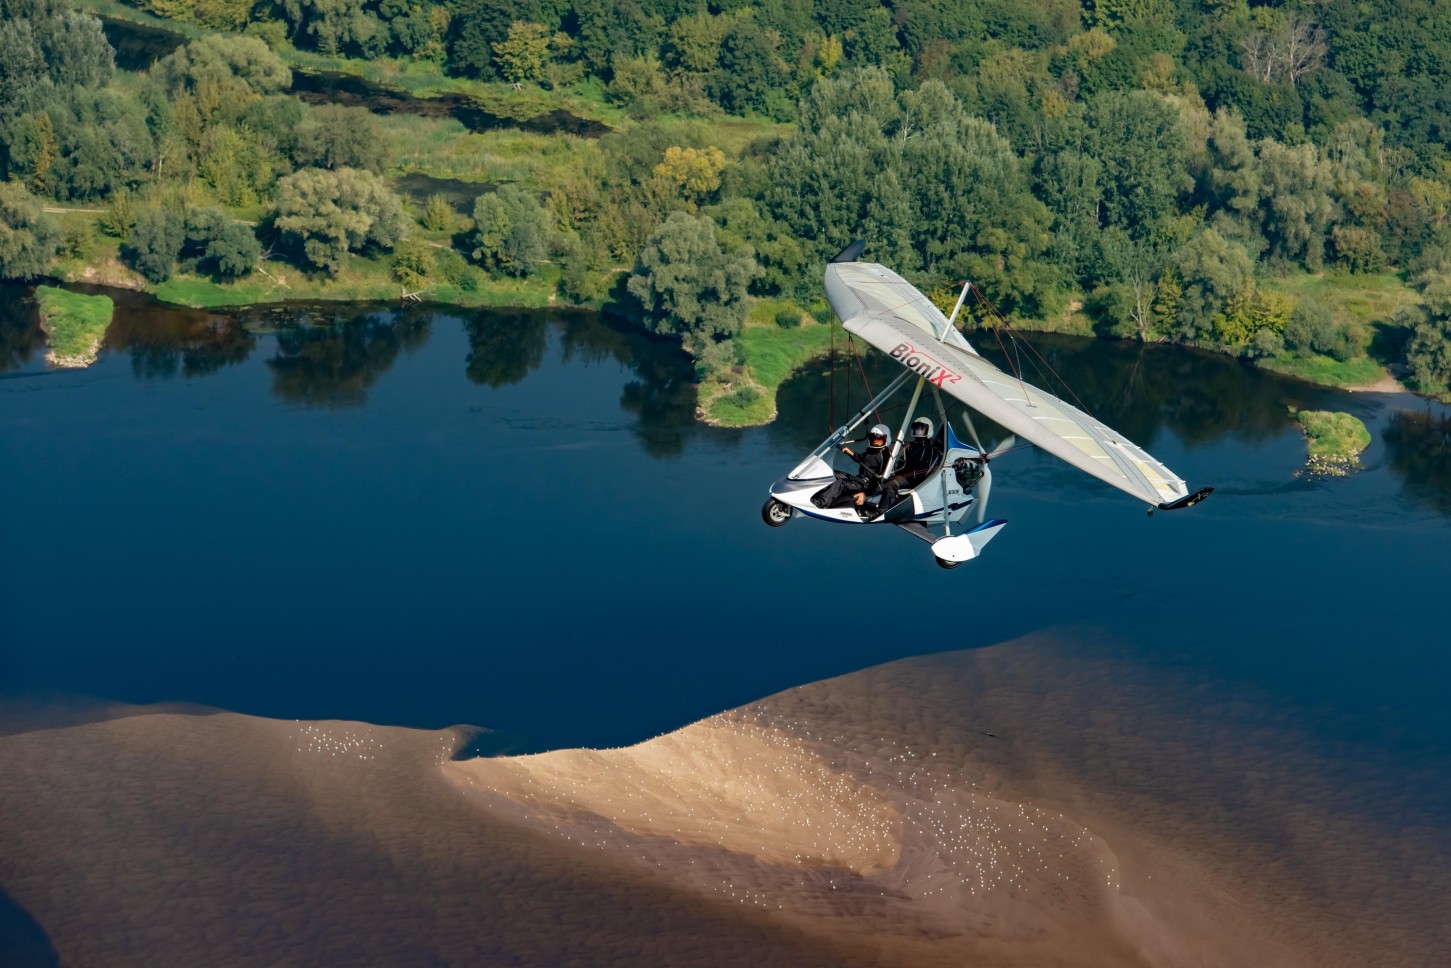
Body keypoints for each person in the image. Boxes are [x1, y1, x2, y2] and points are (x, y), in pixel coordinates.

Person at [812, 423, 893, 511]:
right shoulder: (872, 451)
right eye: (873, 438)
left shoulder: (886, 456)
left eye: (879, 439)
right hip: (858, 479)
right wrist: (852, 453)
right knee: (833, 473)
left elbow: (883, 482)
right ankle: (813, 491)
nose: (875, 441)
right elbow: (863, 459)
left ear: (886, 439)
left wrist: (865, 494)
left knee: (841, 483)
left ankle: (819, 503)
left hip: (865, 486)